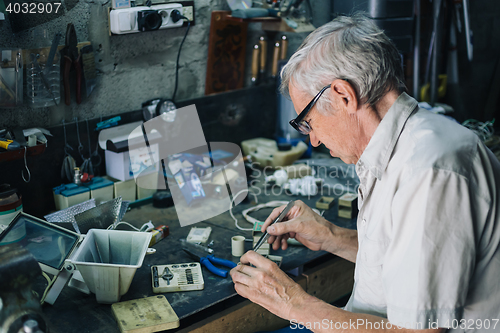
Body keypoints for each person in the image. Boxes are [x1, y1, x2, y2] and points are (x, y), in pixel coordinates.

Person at [230, 13, 500, 333]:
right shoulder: (407, 142)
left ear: (344, 95)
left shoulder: (427, 172)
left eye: (309, 123)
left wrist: (294, 304)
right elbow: (407, 265)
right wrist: (330, 236)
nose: (313, 139)